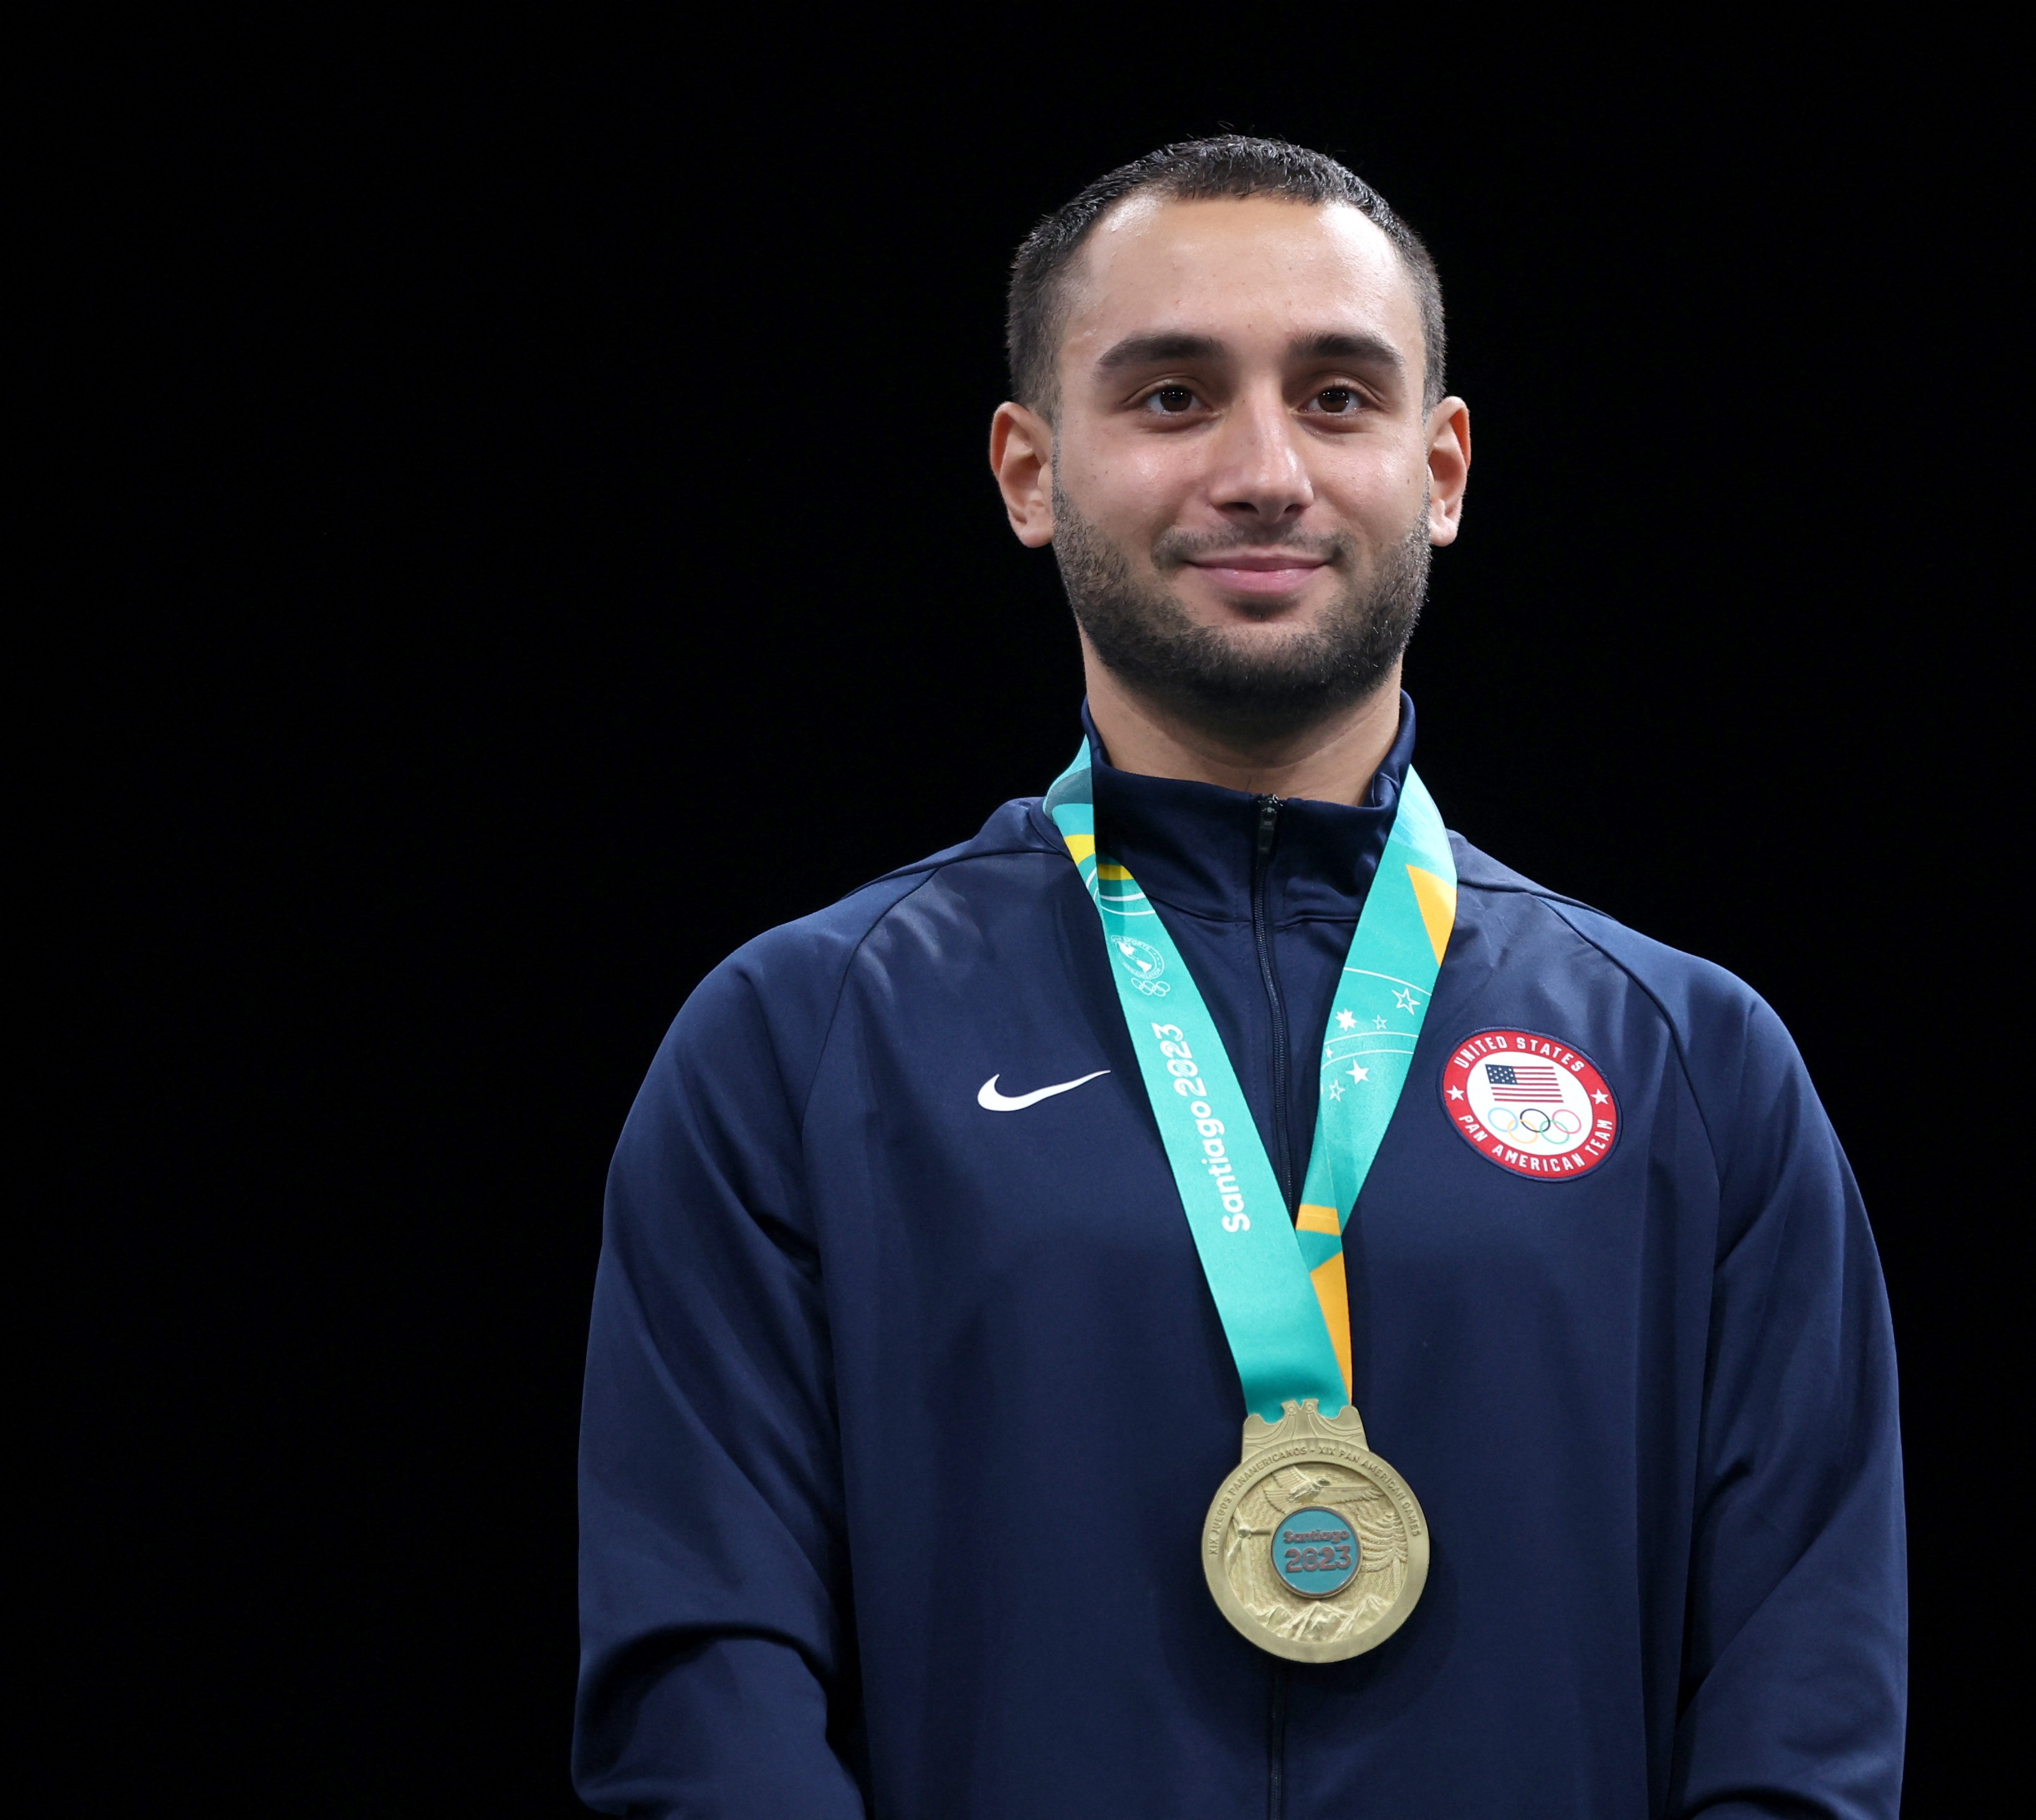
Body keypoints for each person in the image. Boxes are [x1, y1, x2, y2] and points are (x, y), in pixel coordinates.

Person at [574, 136, 1905, 1819]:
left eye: (1338, 397)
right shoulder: (797, 1042)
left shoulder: (1694, 1066)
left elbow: (1805, 1714)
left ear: (1441, 468)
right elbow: (705, 1693)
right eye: (1172, 397)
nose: (1264, 469)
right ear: (1027, 469)